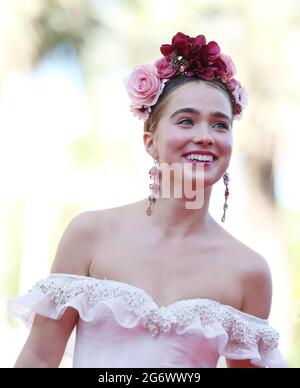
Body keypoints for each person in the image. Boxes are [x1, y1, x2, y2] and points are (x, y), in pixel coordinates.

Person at [8, 32, 287, 368]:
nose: (205, 136)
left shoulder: (249, 272)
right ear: (150, 142)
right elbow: (39, 357)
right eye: (186, 120)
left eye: (219, 125)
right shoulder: (90, 235)